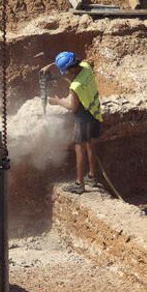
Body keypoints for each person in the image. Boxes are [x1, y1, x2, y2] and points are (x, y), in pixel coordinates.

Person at [41, 51, 102, 194]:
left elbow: (72, 107)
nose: (65, 73)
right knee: (91, 146)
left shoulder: (75, 86)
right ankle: (92, 177)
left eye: (66, 70)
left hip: (83, 118)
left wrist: (57, 102)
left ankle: (79, 184)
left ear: (72, 69)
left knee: (79, 149)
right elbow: (69, 62)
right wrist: (52, 65)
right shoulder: (86, 66)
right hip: (95, 112)